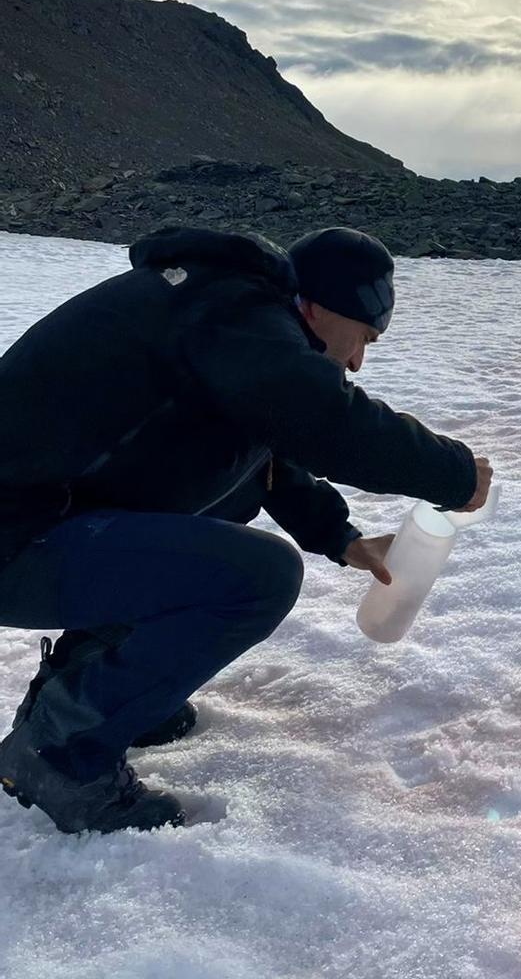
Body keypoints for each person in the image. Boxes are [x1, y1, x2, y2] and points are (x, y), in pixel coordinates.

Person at [0, 224, 492, 834]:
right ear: (320, 307)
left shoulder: (220, 312)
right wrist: (453, 474)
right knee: (258, 577)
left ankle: (107, 694)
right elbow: (319, 418)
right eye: (365, 337)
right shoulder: (229, 309)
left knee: (222, 504)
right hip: (18, 537)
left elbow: (260, 450)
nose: (357, 361)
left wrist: (339, 535)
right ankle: (60, 749)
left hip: (35, 520)